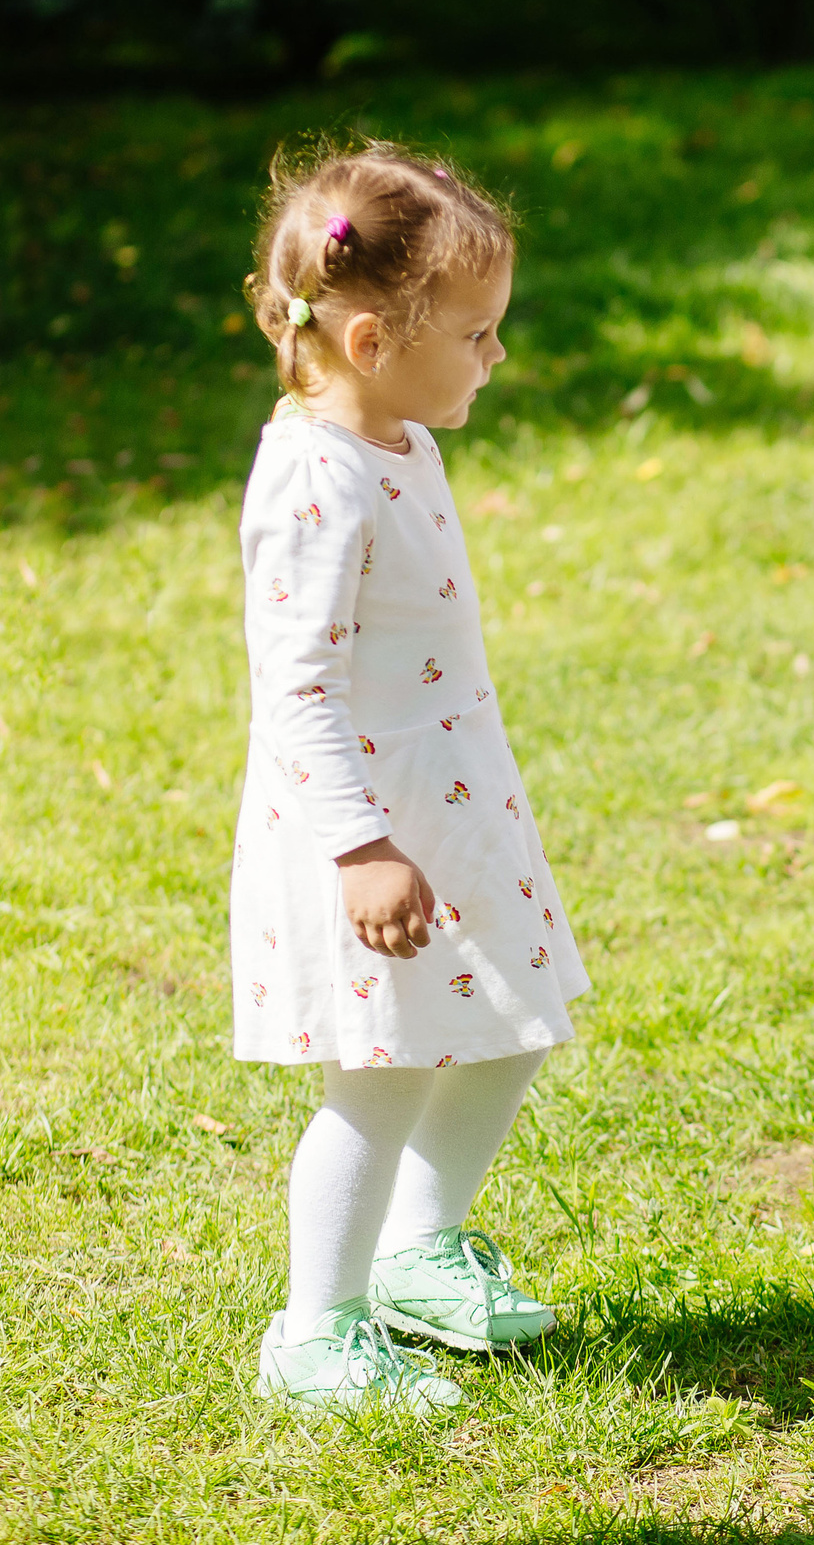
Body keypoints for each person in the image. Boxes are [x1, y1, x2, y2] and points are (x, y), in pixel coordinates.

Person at [231, 144, 584, 1414]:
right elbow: (298, 691)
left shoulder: (396, 441)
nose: (496, 356)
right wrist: (360, 848)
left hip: (451, 803)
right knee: (377, 1077)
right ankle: (314, 1332)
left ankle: (419, 1251)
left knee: (511, 1018)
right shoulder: (319, 485)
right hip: (369, 829)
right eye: (479, 334)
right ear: (373, 339)